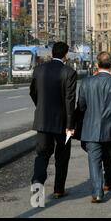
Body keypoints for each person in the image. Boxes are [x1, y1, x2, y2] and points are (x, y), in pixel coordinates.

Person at [78, 52, 111, 203]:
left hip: (90, 128)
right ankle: (109, 180)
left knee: (94, 161)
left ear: (96, 65)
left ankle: (97, 192)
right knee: (108, 155)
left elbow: (81, 105)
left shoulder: (86, 82)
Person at [30, 42, 77, 199]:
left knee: (42, 154)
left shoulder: (39, 69)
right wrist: (70, 125)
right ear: (66, 55)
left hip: (42, 120)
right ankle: (58, 189)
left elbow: (33, 92)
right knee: (62, 157)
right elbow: (70, 100)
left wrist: (40, 107)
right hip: (62, 122)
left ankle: (37, 183)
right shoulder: (69, 72)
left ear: (52, 53)